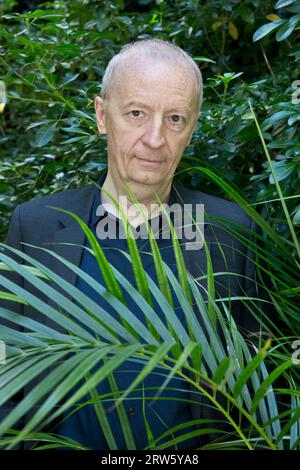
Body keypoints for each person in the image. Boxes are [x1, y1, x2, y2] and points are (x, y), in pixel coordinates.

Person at [0, 38, 266, 450]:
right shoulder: (35, 226)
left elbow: (264, 383)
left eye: (175, 118)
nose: (156, 138)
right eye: (137, 113)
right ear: (103, 116)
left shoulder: (230, 232)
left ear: (192, 128)